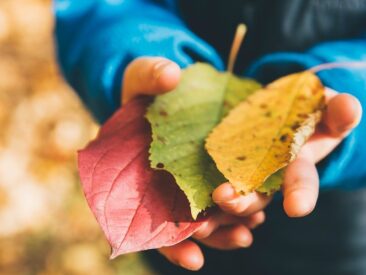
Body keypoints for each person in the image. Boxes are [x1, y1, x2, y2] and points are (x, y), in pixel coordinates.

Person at [54, 0, 366, 274]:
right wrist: (130, 53)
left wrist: (343, 95)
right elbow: (96, 8)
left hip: (338, 236)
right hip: (179, 222)